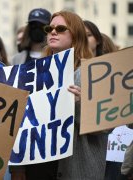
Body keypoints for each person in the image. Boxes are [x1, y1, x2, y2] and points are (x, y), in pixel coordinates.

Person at [43, 11, 108, 180]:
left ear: (76, 35)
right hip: (45, 167)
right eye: (49, 28)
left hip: (79, 168)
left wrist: (80, 104)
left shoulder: (92, 72)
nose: (53, 32)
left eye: (61, 28)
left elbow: (106, 126)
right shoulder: (39, 74)